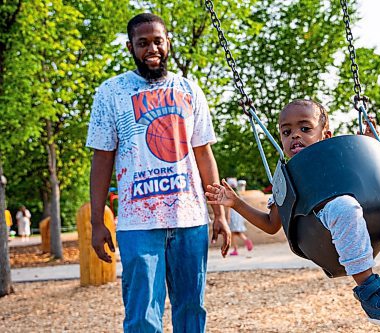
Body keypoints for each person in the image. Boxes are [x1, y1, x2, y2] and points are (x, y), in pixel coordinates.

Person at [206, 99, 380, 330]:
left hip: (366, 222)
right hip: (318, 235)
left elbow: (369, 179)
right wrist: (236, 203)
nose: (294, 136)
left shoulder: (342, 159)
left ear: (325, 135)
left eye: (305, 128)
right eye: (286, 131)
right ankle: (371, 292)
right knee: (343, 205)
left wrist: (368, 143)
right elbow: (271, 224)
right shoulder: (287, 176)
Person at [86, 13, 230, 333]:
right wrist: (98, 222)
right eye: (142, 43)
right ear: (130, 47)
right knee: (141, 315)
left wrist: (218, 213)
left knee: (192, 309)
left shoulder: (189, 90)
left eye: (157, 41)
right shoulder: (111, 93)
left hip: (190, 218)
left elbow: (204, 154)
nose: (151, 48)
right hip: (138, 222)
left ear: (168, 44)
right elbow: (101, 161)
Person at [225, 178, 253, 256]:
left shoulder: (228, 195)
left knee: (233, 233)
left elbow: (228, 208)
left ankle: (235, 249)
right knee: (236, 232)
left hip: (233, 215)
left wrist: (227, 218)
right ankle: (246, 240)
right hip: (239, 214)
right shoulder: (238, 194)